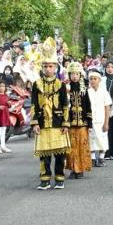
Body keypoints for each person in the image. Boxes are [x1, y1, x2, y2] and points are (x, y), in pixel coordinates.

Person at [31, 39, 71, 190]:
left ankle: (59, 178)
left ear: (55, 68)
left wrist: (66, 123)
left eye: (51, 66)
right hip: (42, 122)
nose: (48, 69)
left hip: (58, 122)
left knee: (60, 154)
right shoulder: (36, 84)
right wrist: (34, 123)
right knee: (44, 154)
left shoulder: (60, 85)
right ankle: (45, 179)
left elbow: (65, 104)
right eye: (46, 66)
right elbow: (34, 103)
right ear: (42, 67)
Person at [66, 62, 92, 178]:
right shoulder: (66, 88)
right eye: (72, 74)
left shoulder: (84, 89)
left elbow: (88, 105)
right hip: (70, 123)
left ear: (80, 75)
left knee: (82, 146)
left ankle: (80, 169)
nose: (74, 76)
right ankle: (73, 169)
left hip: (82, 123)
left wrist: (89, 121)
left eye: (76, 74)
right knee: (71, 147)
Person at [86, 69, 111, 167]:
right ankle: (92, 159)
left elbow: (107, 107)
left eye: (95, 79)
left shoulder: (104, 92)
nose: (93, 81)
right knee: (91, 139)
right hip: (91, 120)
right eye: (91, 79)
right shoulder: (87, 92)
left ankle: (101, 158)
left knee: (102, 139)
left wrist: (106, 123)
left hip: (101, 120)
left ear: (99, 80)